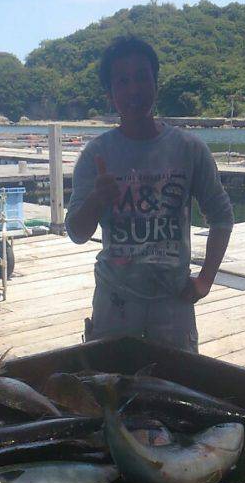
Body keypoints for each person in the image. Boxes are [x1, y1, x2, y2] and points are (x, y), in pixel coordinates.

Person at [65, 36, 234, 352]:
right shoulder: (95, 154)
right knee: (111, 393)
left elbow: (222, 216)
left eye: (142, 77)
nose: (134, 90)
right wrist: (97, 200)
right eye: (123, 81)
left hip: (173, 305)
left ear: (156, 83)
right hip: (114, 304)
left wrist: (205, 281)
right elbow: (76, 232)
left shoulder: (189, 149)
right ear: (110, 94)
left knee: (176, 392)